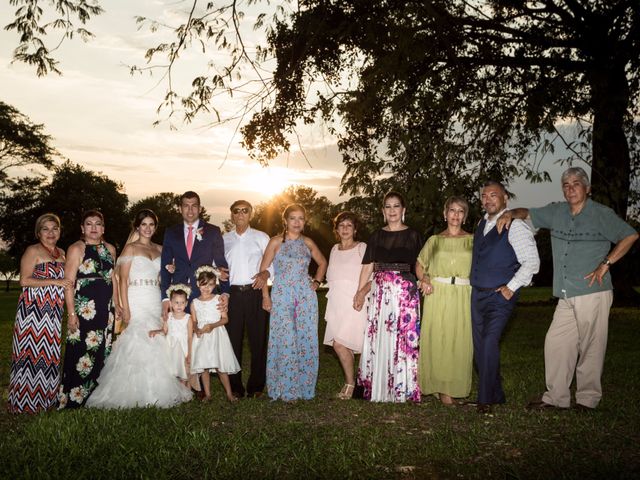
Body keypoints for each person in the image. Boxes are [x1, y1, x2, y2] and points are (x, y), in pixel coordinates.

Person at [498, 167, 638, 410]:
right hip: (565, 292)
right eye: (566, 184)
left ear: (587, 188)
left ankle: (587, 399)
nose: (570, 188)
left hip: (592, 291)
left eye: (576, 183)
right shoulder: (556, 212)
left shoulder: (600, 214)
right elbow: (527, 213)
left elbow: (629, 235)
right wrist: (510, 213)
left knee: (591, 346)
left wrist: (606, 264)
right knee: (556, 342)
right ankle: (556, 398)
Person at [86, 210, 192, 409]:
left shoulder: (161, 249)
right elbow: (123, 280)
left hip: (154, 297)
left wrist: (169, 270)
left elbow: (163, 279)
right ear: (137, 227)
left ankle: (157, 389)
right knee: (138, 338)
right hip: (136, 298)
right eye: (144, 224)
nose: (148, 228)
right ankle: (131, 390)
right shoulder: (130, 249)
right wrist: (125, 307)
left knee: (157, 338)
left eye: (151, 224)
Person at [469, 181, 540, 414]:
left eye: (493, 195)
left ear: (505, 198)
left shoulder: (516, 225)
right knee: (479, 350)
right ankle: (497, 393)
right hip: (477, 295)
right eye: (484, 196)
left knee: (489, 343)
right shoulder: (481, 223)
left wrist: (511, 287)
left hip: (500, 297)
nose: (488, 200)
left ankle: (485, 398)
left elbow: (532, 262)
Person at [353, 191, 423, 403]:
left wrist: (425, 281)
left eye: (396, 206)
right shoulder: (376, 236)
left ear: (403, 210)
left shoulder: (414, 235)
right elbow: (367, 267)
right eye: (388, 206)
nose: (392, 210)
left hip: (405, 294)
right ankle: (377, 387)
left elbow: (421, 265)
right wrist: (360, 291)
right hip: (381, 293)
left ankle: (405, 389)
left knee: (404, 338)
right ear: (383, 211)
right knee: (380, 336)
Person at [259, 204, 328, 401]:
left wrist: (316, 281)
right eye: (293, 218)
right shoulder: (275, 242)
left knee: (305, 340)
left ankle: (304, 388)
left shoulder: (308, 242)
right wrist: (265, 296)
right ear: (285, 221)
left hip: (305, 296)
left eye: (301, 219)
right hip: (281, 295)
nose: (297, 222)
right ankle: (284, 387)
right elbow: (263, 271)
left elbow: (323, 263)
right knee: (285, 338)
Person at [8, 214, 72, 413]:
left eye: (55, 228)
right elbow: (24, 281)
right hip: (33, 312)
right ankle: (24, 401)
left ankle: (46, 400)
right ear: (38, 232)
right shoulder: (33, 251)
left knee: (49, 354)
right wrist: (54, 282)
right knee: (29, 353)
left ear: (60, 231)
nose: (51, 232)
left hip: (53, 311)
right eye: (46, 229)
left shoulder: (62, 253)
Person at [416, 196, 473, 406]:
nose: (455, 215)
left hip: (463, 294)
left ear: (465, 216)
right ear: (445, 213)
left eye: (460, 211)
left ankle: (454, 386)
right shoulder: (435, 241)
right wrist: (425, 278)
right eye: (452, 210)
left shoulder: (473, 241)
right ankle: (441, 389)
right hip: (438, 295)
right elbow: (420, 265)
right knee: (438, 340)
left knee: (459, 340)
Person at [58, 210, 118, 408]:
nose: (94, 227)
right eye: (89, 224)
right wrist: (72, 314)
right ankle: (75, 398)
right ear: (82, 228)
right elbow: (68, 283)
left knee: (103, 350)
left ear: (103, 228)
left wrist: (117, 305)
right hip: (84, 309)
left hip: (105, 309)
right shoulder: (76, 248)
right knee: (81, 351)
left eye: (98, 223)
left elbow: (114, 279)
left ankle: (96, 397)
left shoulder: (110, 248)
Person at [223, 200, 271, 399]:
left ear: (250, 214)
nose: (241, 214)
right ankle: (235, 386)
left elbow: (271, 263)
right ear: (232, 215)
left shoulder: (261, 237)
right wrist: (219, 273)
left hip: (255, 291)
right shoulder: (224, 239)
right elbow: (218, 265)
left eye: (245, 211)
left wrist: (266, 274)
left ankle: (256, 386)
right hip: (232, 294)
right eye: (237, 211)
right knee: (232, 341)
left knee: (258, 339)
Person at [160, 191, 230, 314]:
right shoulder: (171, 232)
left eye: (194, 206)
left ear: (200, 208)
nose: (190, 210)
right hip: (178, 297)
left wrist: (225, 292)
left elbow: (221, 264)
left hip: (205, 295)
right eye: (186, 206)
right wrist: (165, 297)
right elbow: (165, 265)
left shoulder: (213, 231)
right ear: (180, 209)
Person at [323, 211, 368, 400]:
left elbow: (372, 278)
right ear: (336, 229)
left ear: (355, 229)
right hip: (336, 303)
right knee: (339, 344)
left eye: (349, 225)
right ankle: (355, 384)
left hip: (355, 303)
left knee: (340, 344)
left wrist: (361, 293)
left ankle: (351, 384)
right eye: (341, 225)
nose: (345, 229)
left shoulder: (362, 248)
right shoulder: (334, 249)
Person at [190, 266, 241, 402]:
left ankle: (229, 394)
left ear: (215, 284)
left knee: (220, 366)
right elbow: (194, 321)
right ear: (197, 284)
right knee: (204, 366)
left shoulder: (218, 299)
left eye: (211, 285)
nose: (206, 288)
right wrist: (196, 329)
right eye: (203, 285)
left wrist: (212, 326)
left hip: (216, 334)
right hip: (202, 336)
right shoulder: (194, 303)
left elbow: (225, 319)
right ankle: (208, 394)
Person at [150, 284, 194, 385]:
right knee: (172, 369)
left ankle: (184, 391)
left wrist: (190, 353)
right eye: (176, 302)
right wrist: (156, 331)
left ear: (186, 303)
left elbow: (190, 337)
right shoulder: (169, 316)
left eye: (182, 302)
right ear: (170, 303)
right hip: (170, 345)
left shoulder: (188, 318)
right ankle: (174, 389)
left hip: (183, 347)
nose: (179, 305)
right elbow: (165, 331)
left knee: (183, 370)